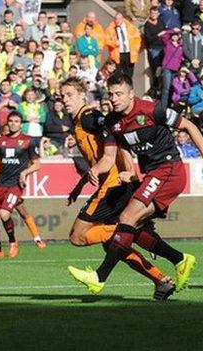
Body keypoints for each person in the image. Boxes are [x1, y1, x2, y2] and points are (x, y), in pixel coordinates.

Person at [67, 73, 203, 294]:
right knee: (132, 225)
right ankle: (179, 260)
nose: (114, 98)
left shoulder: (152, 110)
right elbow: (108, 158)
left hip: (169, 170)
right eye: (111, 94)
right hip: (153, 174)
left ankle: (99, 277)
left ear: (131, 94)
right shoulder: (114, 122)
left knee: (127, 219)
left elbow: (188, 126)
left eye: (119, 93)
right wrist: (94, 171)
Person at [61, 77, 175, 300]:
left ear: (83, 96)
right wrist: (79, 186)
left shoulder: (89, 117)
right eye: (62, 96)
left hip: (114, 185)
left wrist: (131, 171)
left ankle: (133, 233)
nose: (65, 100)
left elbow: (117, 133)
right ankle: (161, 280)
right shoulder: (79, 122)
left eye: (69, 95)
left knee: (77, 236)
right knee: (113, 246)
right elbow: (97, 157)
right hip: (112, 184)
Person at [0, 111, 41, 258]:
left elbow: (37, 164)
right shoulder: (1, 141)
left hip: (15, 185)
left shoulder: (28, 141)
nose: (13, 124)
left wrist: (24, 173)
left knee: (4, 214)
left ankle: (13, 241)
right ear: (7, 122)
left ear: (21, 124)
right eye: (11, 121)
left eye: (16, 121)